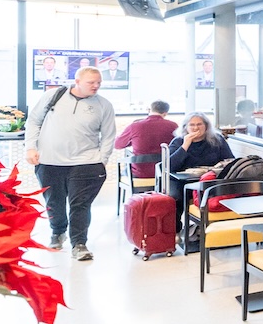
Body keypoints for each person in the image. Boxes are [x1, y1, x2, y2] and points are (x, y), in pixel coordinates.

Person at [25, 67, 116, 261]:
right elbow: (33, 121)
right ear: (77, 81)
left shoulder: (103, 105)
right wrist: (30, 148)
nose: (96, 86)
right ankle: (58, 231)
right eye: (91, 82)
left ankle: (79, 243)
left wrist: (102, 159)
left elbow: (109, 135)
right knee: (54, 202)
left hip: (86, 162)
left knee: (80, 205)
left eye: (99, 82)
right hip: (50, 161)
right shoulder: (53, 96)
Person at [167, 113, 236, 232]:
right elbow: (170, 166)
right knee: (174, 198)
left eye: (199, 124)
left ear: (206, 126)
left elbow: (230, 161)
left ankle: (219, 231)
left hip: (208, 180)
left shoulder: (217, 140)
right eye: (192, 125)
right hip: (181, 182)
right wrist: (185, 145)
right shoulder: (178, 141)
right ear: (186, 127)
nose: (195, 128)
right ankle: (174, 231)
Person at [113, 100, 178, 179]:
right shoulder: (173, 126)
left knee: (126, 168)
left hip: (140, 173)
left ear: (149, 110)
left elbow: (117, 145)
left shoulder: (135, 126)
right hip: (164, 173)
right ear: (165, 113)